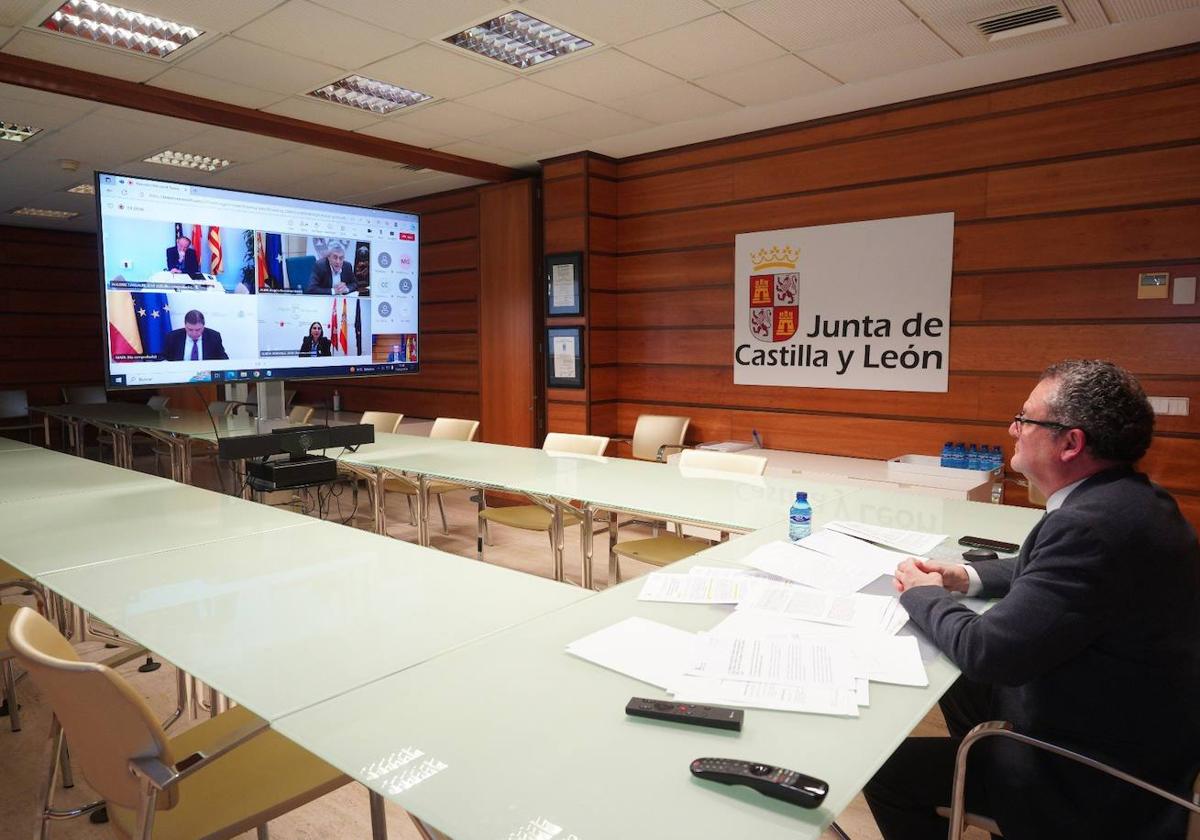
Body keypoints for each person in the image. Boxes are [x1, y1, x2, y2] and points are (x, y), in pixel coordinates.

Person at [865, 359, 1200, 839]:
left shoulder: (1089, 527)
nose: (1013, 429)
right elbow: (1049, 569)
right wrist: (965, 576)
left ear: (1070, 442)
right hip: (1133, 724)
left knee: (889, 772)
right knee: (957, 681)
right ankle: (981, 778)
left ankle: (994, 786)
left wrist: (922, 595)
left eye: (1025, 419)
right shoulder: (1129, 500)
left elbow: (989, 652)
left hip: (1093, 777)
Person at [163, 310, 228, 361]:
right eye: (190, 329)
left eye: (198, 330)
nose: (194, 333)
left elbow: (223, 360)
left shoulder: (214, 337)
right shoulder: (172, 337)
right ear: (185, 325)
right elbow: (165, 359)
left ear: (203, 326)